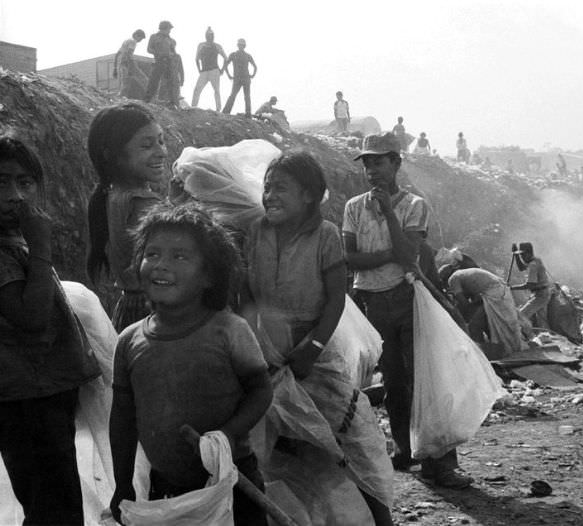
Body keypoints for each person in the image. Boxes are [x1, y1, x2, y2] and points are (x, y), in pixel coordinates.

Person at [243, 150, 393, 524]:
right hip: (267, 353)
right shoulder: (255, 232)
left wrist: (311, 347)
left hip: (315, 353)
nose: (270, 195)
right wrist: (253, 340)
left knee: (344, 443)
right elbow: (246, 294)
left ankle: (379, 517)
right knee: (276, 448)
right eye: (267, 187)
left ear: (309, 195)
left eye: (281, 188)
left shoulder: (324, 235)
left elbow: (335, 298)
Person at [108, 203, 272, 525]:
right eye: (152, 254)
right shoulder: (129, 341)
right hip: (168, 491)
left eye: (179, 257)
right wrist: (123, 482)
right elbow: (123, 420)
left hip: (234, 482)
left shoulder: (228, 330)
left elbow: (260, 390)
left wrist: (225, 435)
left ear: (209, 275)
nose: (161, 266)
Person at [343, 132, 473, 489]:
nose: (372, 169)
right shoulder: (353, 207)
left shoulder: (414, 205)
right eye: (367, 162)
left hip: (407, 297)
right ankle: (406, 449)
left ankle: (440, 462)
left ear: (396, 163)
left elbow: (407, 255)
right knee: (395, 383)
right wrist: (388, 255)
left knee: (425, 379)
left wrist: (387, 212)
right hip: (372, 300)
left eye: (379, 161)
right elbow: (350, 259)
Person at [0, 135, 101, 525]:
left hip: (43, 392)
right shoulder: (11, 248)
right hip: (26, 398)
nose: (14, 195)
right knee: (52, 507)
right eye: (2, 182)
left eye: (24, 183)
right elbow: (32, 317)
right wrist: (42, 245)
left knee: (53, 499)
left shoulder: (15, 241)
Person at [86, 103, 166, 331]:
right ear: (113, 154)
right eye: (147, 145)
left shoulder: (111, 195)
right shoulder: (143, 202)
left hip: (129, 311)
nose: (161, 151)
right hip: (156, 314)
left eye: (161, 141)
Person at [441, 266, 527, 355]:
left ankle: (480, 353)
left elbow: (464, 303)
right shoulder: (463, 273)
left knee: (475, 325)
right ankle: (505, 348)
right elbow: (474, 298)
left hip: (493, 293)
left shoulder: (453, 279)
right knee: (498, 324)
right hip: (501, 290)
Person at [511, 242, 551, 329]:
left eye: (523, 255)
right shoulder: (535, 260)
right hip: (542, 293)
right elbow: (521, 268)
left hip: (540, 295)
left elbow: (530, 285)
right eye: (520, 255)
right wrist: (516, 255)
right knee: (542, 321)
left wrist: (511, 288)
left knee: (521, 315)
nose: (522, 257)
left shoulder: (533, 265)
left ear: (529, 253)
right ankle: (545, 336)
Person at [191, 27, 227, 111]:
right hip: (204, 71)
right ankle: (193, 107)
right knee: (197, 89)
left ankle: (218, 109)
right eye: (208, 35)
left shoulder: (217, 46)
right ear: (206, 36)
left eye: (211, 35)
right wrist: (199, 69)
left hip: (214, 70)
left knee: (216, 90)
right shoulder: (201, 45)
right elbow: (197, 58)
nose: (210, 37)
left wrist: (222, 70)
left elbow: (226, 58)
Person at [144, 20, 178, 108]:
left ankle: (171, 102)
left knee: (170, 83)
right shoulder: (154, 37)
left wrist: (172, 55)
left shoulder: (171, 40)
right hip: (159, 61)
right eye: (168, 28)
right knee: (153, 81)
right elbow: (149, 49)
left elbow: (174, 52)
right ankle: (147, 100)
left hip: (169, 62)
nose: (169, 31)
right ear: (164, 28)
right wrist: (158, 53)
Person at [222, 39, 257, 117]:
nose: (241, 46)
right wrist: (252, 75)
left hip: (240, 79)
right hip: (242, 78)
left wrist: (229, 75)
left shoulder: (235, 55)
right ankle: (247, 114)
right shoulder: (245, 55)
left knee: (240, 96)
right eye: (240, 45)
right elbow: (255, 67)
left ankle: (226, 112)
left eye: (241, 45)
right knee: (242, 96)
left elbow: (225, 65)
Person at [114, 29, 146, 98]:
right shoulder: (133, 42)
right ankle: (150, 97)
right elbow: (129, 54)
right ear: (137, 35)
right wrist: (131, 67)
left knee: (125, 82)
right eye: (141, 38)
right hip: (127, 63)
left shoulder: (126, 41)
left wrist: (115, 68)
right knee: (143, 79)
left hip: (122, 63)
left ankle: (121, 96)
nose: (140, 41)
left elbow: (117, 54)